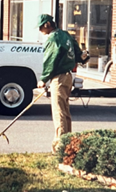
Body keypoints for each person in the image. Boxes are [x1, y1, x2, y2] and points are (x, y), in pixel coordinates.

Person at [36, 14, 85, 154]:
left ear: (47, 25)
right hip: (68, 76)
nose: (40, 30)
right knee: (65, 110)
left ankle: (60, 147)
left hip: (59, 78)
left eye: (40, 27)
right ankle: (69, 142)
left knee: (58, 112)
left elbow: (50, 60)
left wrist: (44, 79)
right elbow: (78, 53)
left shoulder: (53, 39)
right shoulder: (65, 35)